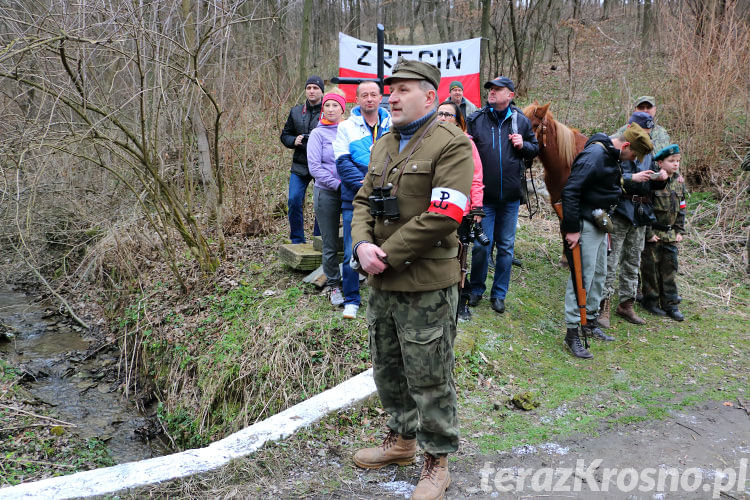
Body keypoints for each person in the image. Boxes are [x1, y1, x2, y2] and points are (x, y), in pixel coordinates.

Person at [350, 57, 473, 500]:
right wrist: (361, 246)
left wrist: (386, 254)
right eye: (390, 89)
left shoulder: (451, 143)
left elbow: (446, 213)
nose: (392, 96)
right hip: (381, 281)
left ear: (430, 95)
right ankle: (401, 440)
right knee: (387, 367)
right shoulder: (384, 143)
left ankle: (437, 461)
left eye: (403, 89)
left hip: (425, 283)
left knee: (430, 374)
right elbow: (363, 199)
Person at [560, 124, 654, 359]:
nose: (633, 160)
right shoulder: (594, 155)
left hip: (601, 223)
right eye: (633, 155)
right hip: (585, 225)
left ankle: (590, 321)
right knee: (582, 278)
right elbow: (570, 191)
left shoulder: (610, 155)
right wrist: (571, 229)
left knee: (599, 274)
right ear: (625, 145)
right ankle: (572, 332)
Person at [465, 76, 538, 314]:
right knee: (481, 247)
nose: (492, 93)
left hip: (510, 197)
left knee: (506, 247)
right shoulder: (475, 119)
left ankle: (499, 294)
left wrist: (523, 145)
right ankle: (476, 289)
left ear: (510, 95)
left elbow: (534, 149)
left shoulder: (521, 121)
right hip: (483, 197)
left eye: (498, 90)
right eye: (490, 89)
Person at [599, 112, 668, 328]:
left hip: (641, 212)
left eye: (648, 131)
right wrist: (631, 178)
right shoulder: (616, 144)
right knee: (611, 260)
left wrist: (661, 178)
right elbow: (608, 175)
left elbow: (653, 178)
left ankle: (626, 304)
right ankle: (603, 305)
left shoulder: (649, 149)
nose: (645, 134)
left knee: (633, 260)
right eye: (642, 130)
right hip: (621, 209)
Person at [333, 81, 392, 319]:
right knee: (351, 250)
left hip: (389, 196)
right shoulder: (346, 127)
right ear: (356, 99)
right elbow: (342, 163)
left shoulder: (393, 124)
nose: (369, 99)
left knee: (386, 247)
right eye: (364, 95)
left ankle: (385, 296)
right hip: (355, 199)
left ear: (380, 98)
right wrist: (366, 185)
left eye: (373, 95)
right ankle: (351, 300)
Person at [435, 101, 485, 321]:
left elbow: (476, 177)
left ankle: (461, 302)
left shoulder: (467, 144)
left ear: (457, 119)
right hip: (434, 207)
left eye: (448, 114)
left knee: (460, 257)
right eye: (440, 114)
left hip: (461, 210)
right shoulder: (428, 140)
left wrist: (477, 207)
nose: (443, 117)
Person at [307, 89, 347, 306]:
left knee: (353, 240)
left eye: (335, 106)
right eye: (327, 106)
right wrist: (337, 185)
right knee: (330, 242)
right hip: (327, 193)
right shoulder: (318, 134)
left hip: (350, 193)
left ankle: (353, 282)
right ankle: (333, 285)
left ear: (343, 108)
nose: (330, 110)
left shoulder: (349, 130)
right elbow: (314, 167)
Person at [641, 144, 687, 321]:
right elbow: (645, 208)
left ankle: (670, 304)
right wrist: (648, 233)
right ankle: (650, 301)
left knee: (669, 268)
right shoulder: (653, 181)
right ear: (660, 163)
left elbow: (681, 207)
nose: (675, 164)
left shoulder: (678, 181)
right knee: (650, 269)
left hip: (670, 234)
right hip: (654, 233)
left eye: (677, 161)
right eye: (671, 161)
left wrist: (679, 230)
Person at [280, 76, 325, 244]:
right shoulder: (296, 111)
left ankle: (319, 239)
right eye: (309, 88)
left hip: (322, 165)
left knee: (322, 204)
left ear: (321, 91)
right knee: (293, 200)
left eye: (315, 88)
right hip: (300, 164)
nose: (312, 91)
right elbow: (285, 135)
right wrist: (293, 140)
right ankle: (297, 241)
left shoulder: (328, 110)